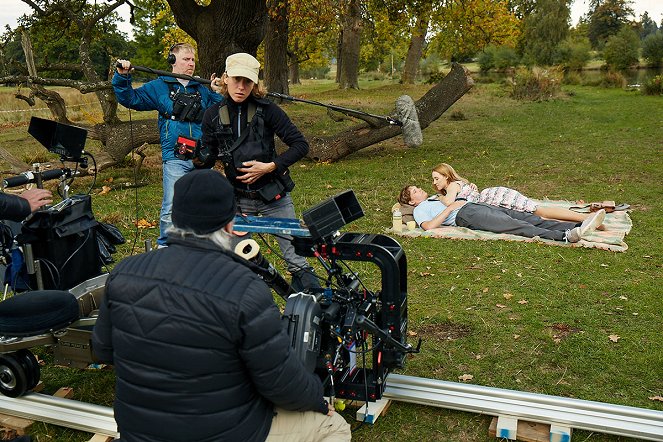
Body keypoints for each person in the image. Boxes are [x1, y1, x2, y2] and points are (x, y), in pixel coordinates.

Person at [91, 169, 351, 442]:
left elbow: (102, 350)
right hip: (224, 432)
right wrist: (318, 401)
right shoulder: (245, 288)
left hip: (140, 431)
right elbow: (280, 383)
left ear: (175, 217)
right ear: (230, 224)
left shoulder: (124, 271)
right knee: (335, 428)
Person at [200, 52, 318, 290]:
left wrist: (270, 166)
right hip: (236, 200)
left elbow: (300, 145)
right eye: (236, 80)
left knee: (297, 259)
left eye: (248, 81)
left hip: (272, 195)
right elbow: (207, 157)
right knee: (241, 260)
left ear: (255, 83)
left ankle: (313, 306)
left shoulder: (268, 110)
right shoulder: (213, 114)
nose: (241, 87)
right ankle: (253, 307)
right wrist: (195, 159)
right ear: (225, 78)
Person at [113, 43, 222, 247]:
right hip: (175, 156)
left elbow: (220, 112)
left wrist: (216, 91)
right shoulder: (157, 87)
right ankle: (166, 246)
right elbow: (130, 98)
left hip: (201, 156)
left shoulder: (202, 89)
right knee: (172, 204)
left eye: (192, 60)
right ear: (172, 61)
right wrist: (122, 76)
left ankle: (198, 245)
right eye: (186, 59)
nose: (191, 63)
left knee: (201, 204)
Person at [399, 185, 605, 243]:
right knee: (513, 225)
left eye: (418, 187)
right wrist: (450, 208)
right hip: (467, 216)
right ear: (411, 201)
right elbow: (427, 227)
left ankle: (576, 227)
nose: (420, 190)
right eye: (415, 191)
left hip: (474, 206)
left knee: (527, 218)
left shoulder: (435, 198)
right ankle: (564, 236)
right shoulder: (420, 208)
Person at [431, 163, 591, 223]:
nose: (434, 183)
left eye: (436, 178)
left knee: (539, 210)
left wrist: (439, 196)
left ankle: (585, 218)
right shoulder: (459, 184)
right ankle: (582, 220)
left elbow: (448, 202)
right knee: (537, 215)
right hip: (492, 198)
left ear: (446, 176)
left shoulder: (451, 186)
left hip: (494, 199)